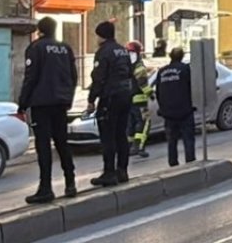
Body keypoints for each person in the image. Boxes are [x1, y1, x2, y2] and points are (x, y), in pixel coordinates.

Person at [18, 17, 77, 204]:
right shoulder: (65, 48)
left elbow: (30, 78)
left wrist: (22, 104)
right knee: (62, 143)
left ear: (39, 30)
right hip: (60, 103)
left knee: (43, 146)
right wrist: (68, 99)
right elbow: (73, 77)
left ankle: (46, 188)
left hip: (41, 104)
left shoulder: (35, 48)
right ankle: (70, 182)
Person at [86, 21, 133, 187]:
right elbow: (130, 72)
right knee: (121, 134)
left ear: (101, 36)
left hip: (110, 96)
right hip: (125, 95)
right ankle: (122, 170)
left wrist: (91, 99)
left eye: (97, 35)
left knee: (108, 135)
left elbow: (99, 78)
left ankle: (109, 172)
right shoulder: (123, 50)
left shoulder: (103, 52)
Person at [154, 47, 197, 167]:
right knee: (188, 139)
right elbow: (192, 88)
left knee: (171, 141)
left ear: (170, 56)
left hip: (168, 113)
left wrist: (163, 108)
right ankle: (190, 163)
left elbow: (158, 92)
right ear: (182, 56)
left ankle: (173, 164)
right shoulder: (185, 69)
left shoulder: (162, 72)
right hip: (185, 111)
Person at [126, 41, 152, 158]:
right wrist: (151, 94)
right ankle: (140, 147)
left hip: (128, 101)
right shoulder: (139, 67)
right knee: (144, 123)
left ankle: (129, 147)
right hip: (140, 101)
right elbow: (143, 84)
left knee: (130, 125)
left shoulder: (125, 66)